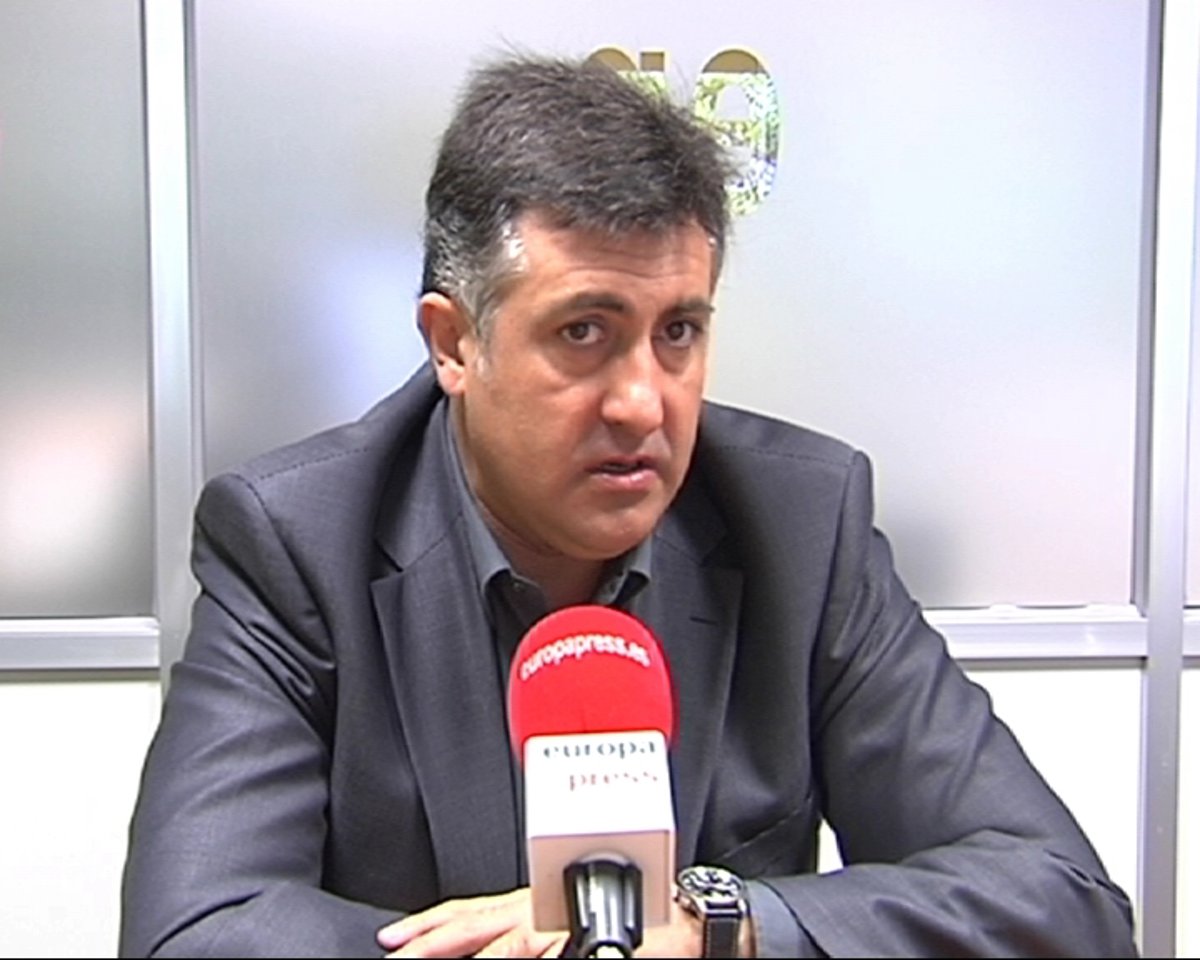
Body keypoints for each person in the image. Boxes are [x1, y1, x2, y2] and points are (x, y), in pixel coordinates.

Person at [119, 53, 1137, 959]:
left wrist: (719, 928)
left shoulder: (801, 524)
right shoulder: (297, 542)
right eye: (583, 333)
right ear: (454, 343)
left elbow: (1063, 903)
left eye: (678, 332)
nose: (644, 401)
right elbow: (194, 930)